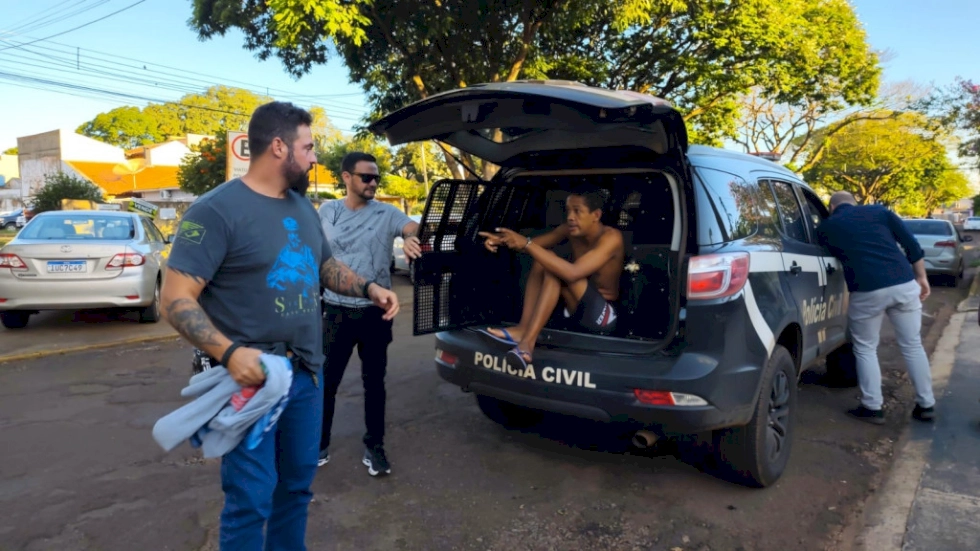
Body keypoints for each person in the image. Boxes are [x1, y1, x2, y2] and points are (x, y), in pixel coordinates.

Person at [161, 102, 400, 551]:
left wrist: (369, 288)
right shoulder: (215, 211)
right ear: (278, 147)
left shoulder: (302, 207)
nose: (314, 157)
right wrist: (230, 354)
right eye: (307, 147)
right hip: (249, 379)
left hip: (306, 374)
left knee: (296, 488)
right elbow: (174, 299)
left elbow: (324, 267)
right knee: (250, 500)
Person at [317, 152, 422, 476]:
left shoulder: (386, 212)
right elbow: (317, 253)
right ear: (347, 177)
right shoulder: (328, 211)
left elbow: (412, 226)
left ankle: (374, 446)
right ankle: (318, 444)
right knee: (326, 382)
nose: (373, 183)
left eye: (376, 177)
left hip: (375, 313)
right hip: (335, 310)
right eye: (366, 177)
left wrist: (412, 238)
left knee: (374, 383)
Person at [816, 191, 936, 425]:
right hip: (903, 283)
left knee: (865, 348)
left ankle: (873, 407)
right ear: (854, 203)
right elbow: (911, 244)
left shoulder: (827, 227)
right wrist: (921, 277)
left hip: (866, 290)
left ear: (832, 208)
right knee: (912, 345)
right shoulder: (880, 212)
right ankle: (926, 405)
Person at [477, 185, 624, 368]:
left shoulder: (611, 238)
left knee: (553, 265)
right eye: (568, 210)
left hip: (603, 317)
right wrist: (499, 240)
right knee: (544, 260)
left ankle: (527, 343)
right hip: (574, 309)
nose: (570, 217)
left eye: (577, 211)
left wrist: (527, 244)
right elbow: (532, 245)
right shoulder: (570, 230)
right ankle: (523, 328)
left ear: (596, 215)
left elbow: (573, 273)